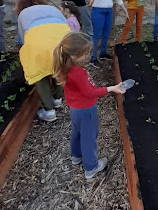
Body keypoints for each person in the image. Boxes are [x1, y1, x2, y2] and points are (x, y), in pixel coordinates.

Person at [53, 32, 126, 180]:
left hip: (75, 109)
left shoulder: (66, 67)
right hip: (86, 110)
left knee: (77, 133)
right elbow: (90, 92)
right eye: (85, 53)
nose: (88, 56)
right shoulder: (77, 73)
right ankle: (91, 168)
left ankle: (76, 156)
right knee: (89, 138)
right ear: (74, 55)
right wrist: (111, 88)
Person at [17, 0, 70, 122]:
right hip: (63, 41)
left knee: (39, 74)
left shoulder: (23, 13)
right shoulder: (52, 9)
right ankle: (57, 99)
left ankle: (49, 111)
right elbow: (66, 25)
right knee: (58, 68)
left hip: (38, 45)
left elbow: (23, 37)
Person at [79, 0, 129, 67]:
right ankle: (93, 58)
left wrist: (125, 11)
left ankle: (103, 53)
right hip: (98, 11)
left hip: (109, 12)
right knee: (97, 35)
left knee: (106, 33)